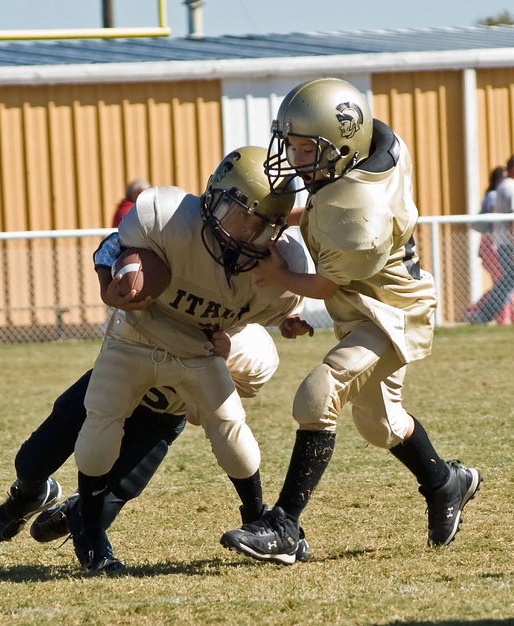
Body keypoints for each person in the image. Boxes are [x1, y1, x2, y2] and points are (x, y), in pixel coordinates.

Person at [220, 78, 482, 565]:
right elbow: (335, 188)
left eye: (306, 149)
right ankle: (448, 483)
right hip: (368, 303)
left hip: (390, 314)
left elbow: (324, 287)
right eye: (293, 145)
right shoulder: (373, 150)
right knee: (380, 424)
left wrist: (278, 272)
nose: (295, 159)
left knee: (318, 395)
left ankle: (284, 526)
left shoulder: (356, 212)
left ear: (342, 147)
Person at [72, 145, 313, 572]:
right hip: (137, 336)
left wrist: (289, 318)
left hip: (199, 348)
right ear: (214, 197)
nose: (245, 232)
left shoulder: (279, 268)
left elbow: (269, 308)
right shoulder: (163, 216)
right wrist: (115, 279)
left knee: (231, 427)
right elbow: (113, 247)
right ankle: (90, 533)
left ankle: (256, 517)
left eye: (261, 225)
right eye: (240, 214)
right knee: (100, 422)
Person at [0, 323, 312, 570]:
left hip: (160, 418)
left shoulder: (251, 348)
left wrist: (212, 373)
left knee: (115, 494)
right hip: (109, 388)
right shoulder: (170, 293)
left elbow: (202, 415)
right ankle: (30, 494)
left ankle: (77, 513)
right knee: (33, 460)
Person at [467, 157, 514, 324]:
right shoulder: (508, 187)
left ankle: (480, 315)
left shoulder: (503, 187)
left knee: (506, 284)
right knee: (505, 285)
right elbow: (511, 219)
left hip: (502, 242)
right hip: (507, 243)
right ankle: (481, 315)